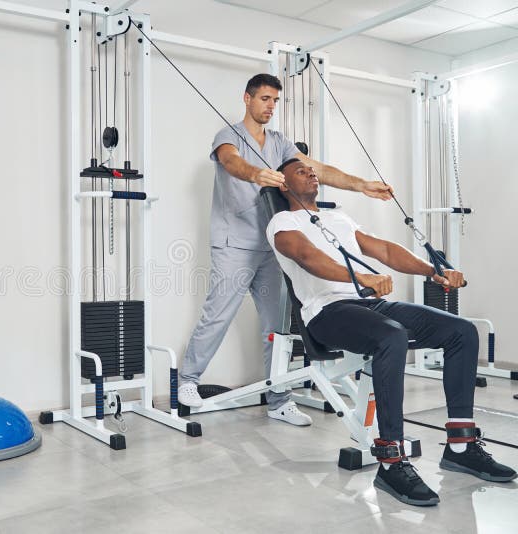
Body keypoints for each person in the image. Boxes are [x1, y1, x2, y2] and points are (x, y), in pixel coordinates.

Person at [266, 158, 516, 506]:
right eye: (300, 171)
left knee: (461, 331)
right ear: (283, 184)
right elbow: (308, 257)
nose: (310, 173)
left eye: (312, 170)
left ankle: (461, 446)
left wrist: (434, 270)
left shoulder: (338, 218)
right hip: (327, 313)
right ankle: (391, 461)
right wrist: (362, 278)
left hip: (370, 306)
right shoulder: (282, 222)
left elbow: (383, 249)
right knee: (391, 336)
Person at [178, 73, 392, 427]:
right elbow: (232, 163)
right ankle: (188, 381)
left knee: (275, 327)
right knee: (217, 315)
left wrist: (361, 184)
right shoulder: (227, 137)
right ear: (247, 98)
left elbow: (318, 169)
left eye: (275, 101)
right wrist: (256, 174)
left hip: (273, 247)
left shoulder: (279, 142)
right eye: (264, 99)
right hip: (234, 244)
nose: (270, 107)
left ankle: (278, 399)